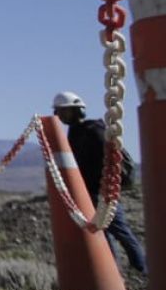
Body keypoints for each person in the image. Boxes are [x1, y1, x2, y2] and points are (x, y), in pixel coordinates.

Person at [53, 91, 147, 275]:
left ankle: (142, 270)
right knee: (103, 234)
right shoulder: (76, 133)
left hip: (102, 192)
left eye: (65, 112)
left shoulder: (95, 130)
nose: (62, 117)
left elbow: (109, 160)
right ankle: (114, 272)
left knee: (121, 232)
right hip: (89, 192)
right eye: (60, 113)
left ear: (77, 111)